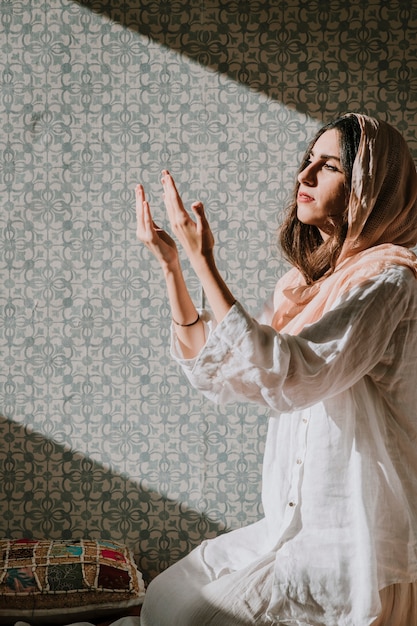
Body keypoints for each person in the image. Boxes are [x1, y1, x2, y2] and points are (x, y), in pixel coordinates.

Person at [135, 113, 417, 626]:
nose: (303, 177)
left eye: (327, 166)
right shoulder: (304, 289)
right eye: (307, 161)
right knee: (161, 597)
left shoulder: (391, 283)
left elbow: (293, 373)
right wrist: (174, 268)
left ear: (368, 186)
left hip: (353, 546)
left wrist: (207, 264)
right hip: (285, 529)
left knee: (192, 621)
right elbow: (225, 372)